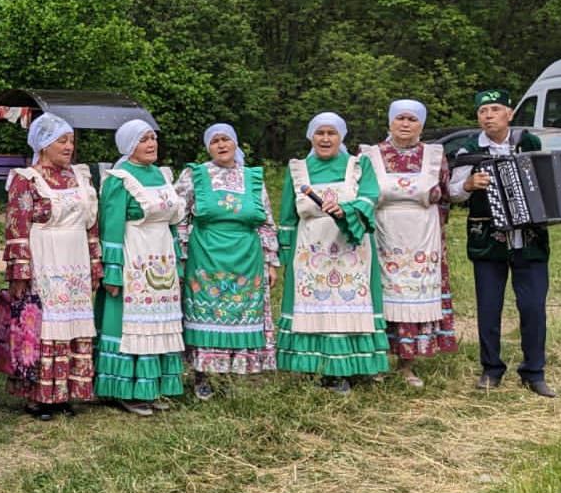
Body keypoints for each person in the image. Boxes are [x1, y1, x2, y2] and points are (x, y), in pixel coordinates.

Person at [447, 89, 561, 397]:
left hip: (531, 238)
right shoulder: (468, 150)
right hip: (488, 239)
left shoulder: (529, 143)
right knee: (489, 307)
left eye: (495, 110)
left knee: (533, 306)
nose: (488, 116)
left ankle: (534, 372)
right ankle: (491, 369)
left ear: (509, 114)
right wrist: (469, 184)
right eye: (483, 111)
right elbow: (453, 190)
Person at [276, 112, 388, 392]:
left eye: (331, 133)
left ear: (341, 137)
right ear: (310, 137)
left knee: (347, 305)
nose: (325, 139)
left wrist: (347, 209)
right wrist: (285, 256)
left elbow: (369, 196)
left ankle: (345, 370)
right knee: (314, 306)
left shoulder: (358, 165)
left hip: (349, 249)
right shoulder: (298, 170)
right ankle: (314, 368)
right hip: (311, 248)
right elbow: (288, 216)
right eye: (320, 133)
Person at [2, 113, 102, 419]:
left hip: (76, 260)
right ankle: (39, 396)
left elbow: (91, 224)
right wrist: (20, 271)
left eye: (71, 140)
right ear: (44, 144)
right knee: (44, 326)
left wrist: (95, 262)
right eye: (62, 140)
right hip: (45, 257)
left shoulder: (80, 177)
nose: (69, 146)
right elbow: (17, 227)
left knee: (73, 324)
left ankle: (64, 393)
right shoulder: (26, 179)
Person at [174, 124, 280, 399]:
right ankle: (204, 374)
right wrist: (182, 256)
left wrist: (270, 261)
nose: (221, 145)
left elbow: (266, 222)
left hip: (246, 255)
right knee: (206, 313)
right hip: (206, 254)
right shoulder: (194, 175)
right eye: (215, 141)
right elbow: (178, 217)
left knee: (240, 313)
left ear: (235, 144)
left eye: (226, 140)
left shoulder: (252, 177)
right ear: (208, 147)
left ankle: (232, 375)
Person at [95, 118, 187, 415]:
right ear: (129, 146)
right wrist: (112, 270)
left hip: (161, 255)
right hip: (135, 253)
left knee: (159, 320)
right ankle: (126, 389)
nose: (151, 144)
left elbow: (172, 222)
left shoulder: (162, 175)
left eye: (153, 138)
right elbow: (110, 228)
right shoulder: (119, 179)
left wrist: (177, 262)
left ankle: (152, 385)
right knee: (133, 322)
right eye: (144, 139)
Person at [362, 99, 456, 387]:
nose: (405, 124)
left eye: (412, 119)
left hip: (422, 238)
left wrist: (436, 233)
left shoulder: (434, 155)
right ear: (390, 122)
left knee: (413, 301)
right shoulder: (370, 155)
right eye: (400, 118)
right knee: (379, 300)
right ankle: (374, 363)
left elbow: (446, 197)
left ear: (421, 125)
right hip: (382, 235)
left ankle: (407, 366)